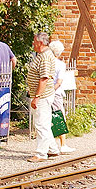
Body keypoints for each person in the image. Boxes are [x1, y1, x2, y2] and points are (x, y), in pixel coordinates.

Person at [26, 32, 60, 162]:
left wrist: (37, 97)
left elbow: (44, 78)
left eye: (34, 41)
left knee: (41, 125)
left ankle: (41, 154)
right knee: (44, 123)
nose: (33, 44)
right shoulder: (43, 55)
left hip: (43, 96)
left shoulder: (45, 57)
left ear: (40, 43)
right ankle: (52, 149)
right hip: (43, 95)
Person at [48, 40, 75, 154]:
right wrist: (51, 90)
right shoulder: (61, 65)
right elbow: (59, 82)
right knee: (59, 116)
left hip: (45, 93)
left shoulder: (46, 62)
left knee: (47, 118)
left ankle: (50, 144)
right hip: (56, 94)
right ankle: (63, 145)